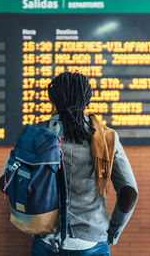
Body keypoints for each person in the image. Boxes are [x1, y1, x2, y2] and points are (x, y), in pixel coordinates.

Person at [31, 72, 138, 256]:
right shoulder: (107, 137)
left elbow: (5, 182)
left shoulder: (35, 134)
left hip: (47, 238)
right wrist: (112, 232)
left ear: (54, 101)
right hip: (92, 239)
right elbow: (129, 193)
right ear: (87, 100)